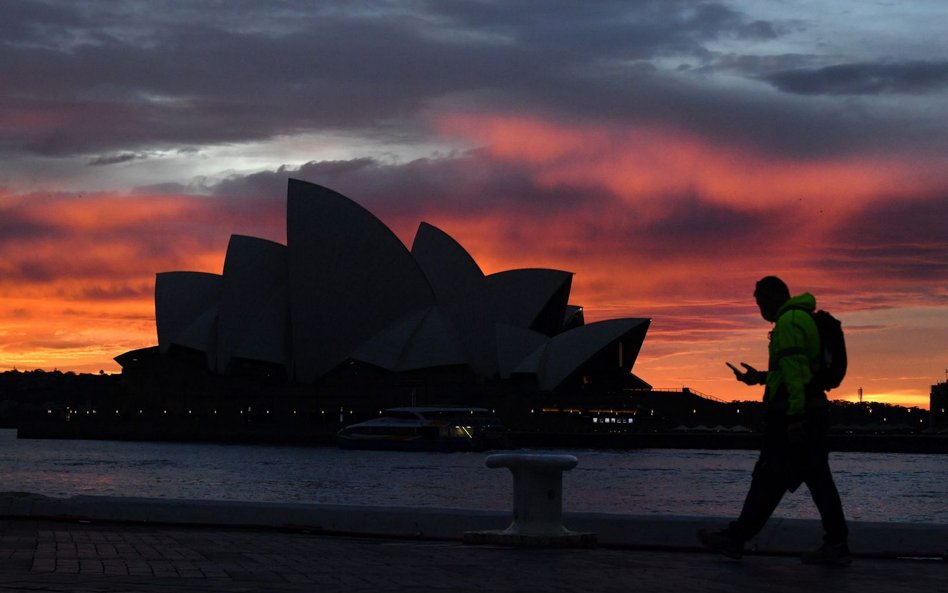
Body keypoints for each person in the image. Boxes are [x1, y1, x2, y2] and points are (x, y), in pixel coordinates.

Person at [698, 276, 850, 564]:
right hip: (812, 412)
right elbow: (797, 371)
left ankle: (736, 538)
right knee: (814, 480)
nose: (760, 309)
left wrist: (794, 418)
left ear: (775, 297)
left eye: (761, 301)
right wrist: (760, 378)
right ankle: (836, 544)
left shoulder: (788, 323)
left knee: (770, 477)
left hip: (795, 417)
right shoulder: (801, 319)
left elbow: (795, 375)